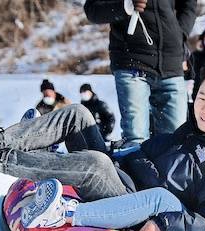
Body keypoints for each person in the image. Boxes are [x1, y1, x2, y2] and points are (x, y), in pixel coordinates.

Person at [0, 61, 205, 231]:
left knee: (95, 165)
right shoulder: (189, 132)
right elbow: (142, 154)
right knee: (78, 114)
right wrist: (115, 151)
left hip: (133, 205)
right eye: (202, 98)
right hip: (122, 173)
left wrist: (167, 227)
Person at [84, 0, 197, 147]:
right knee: (136, 140)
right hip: (132, 62)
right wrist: (125, 6)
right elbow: (93, 11)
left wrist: (179, 35)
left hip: (171, 63)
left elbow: (189, 5)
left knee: (176, 141)